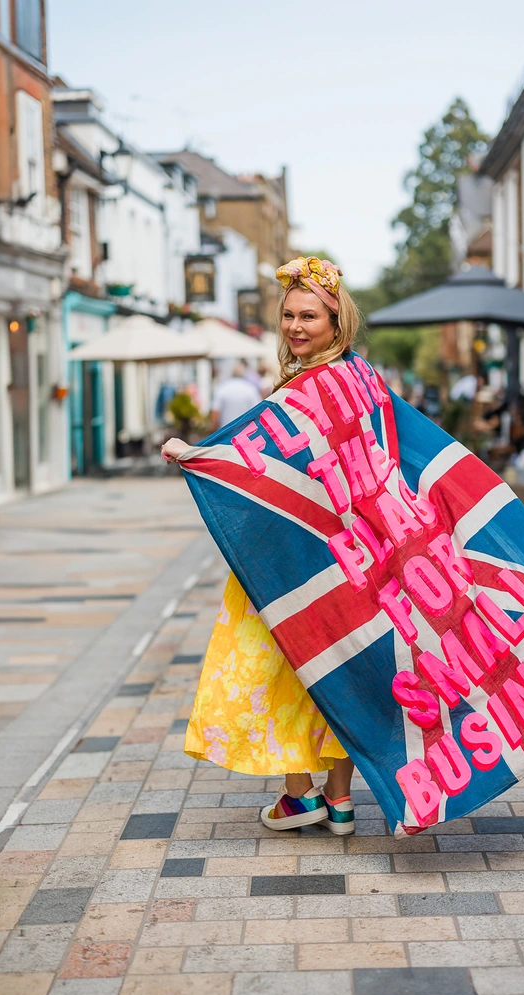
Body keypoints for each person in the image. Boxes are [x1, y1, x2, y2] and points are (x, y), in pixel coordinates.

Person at [162, 256, 360, 835]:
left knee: (273, 663)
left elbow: (254, 462)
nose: (296, 327)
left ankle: (301, 797)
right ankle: (340, 799)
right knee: (338, 669)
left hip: (290, 559)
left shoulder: (305, 388)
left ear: (336, 321)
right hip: (348, 557)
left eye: (309, 317)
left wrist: (194, 456)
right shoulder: (357, 381)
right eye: (288, 316)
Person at [208, 360, 262, 430]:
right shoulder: (250, 389)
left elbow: (215, 412)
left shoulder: (222, 388)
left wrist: (214, 430)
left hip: (225, 430)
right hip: (244, 431)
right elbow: (258, 411)